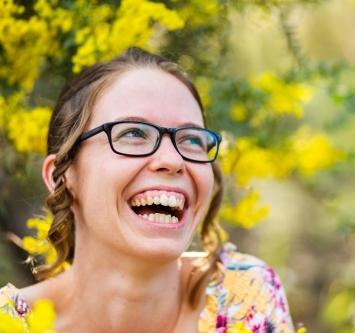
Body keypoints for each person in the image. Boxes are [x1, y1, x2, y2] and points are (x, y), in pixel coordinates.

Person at [0, 47, 294, 332]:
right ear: (63, 177)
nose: (173, 160)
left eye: (191, 139)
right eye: (133, 133)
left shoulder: (243, 299)